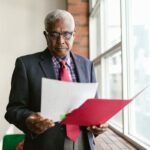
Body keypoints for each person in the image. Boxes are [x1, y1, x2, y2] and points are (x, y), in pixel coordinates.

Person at [5, 9, 108, 150]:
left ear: (74, 35)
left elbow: (93, 108)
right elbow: (13, 109)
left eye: (66, 34)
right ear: (45, 35)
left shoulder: (87, 65)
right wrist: (28, 119)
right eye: (54, 34)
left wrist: (98, 123)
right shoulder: (26, 65)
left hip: (83, 143)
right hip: (44, 144)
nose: (60, 41)